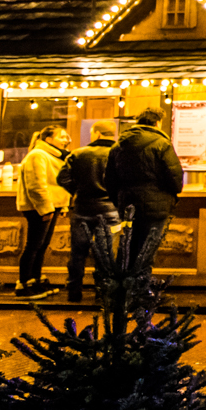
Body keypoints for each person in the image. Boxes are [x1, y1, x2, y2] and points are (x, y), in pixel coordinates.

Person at [106, 109, 185, 275]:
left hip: (127, 204)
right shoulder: (162, 143)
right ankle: (142, 289)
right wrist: (172, 195)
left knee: (127, 245)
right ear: (157, 123)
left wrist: (119, 200)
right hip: (156, 205)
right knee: (147, 247)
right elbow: (175, 175)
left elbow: (110, 180)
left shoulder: (118, 145)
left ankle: (123, 289)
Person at [62, 121, 118, 303]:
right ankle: (102, 293)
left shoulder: (78, 154)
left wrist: (77, 191)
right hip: (110, 210)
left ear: (97, 134)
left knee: (78, 252)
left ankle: (74, 292)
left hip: (82, 208)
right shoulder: (120, 155)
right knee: (105, 253)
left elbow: (62, 177)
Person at [15, 125, 73, 297]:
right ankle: (24, 283)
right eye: (62, 136)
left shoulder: (53, 156)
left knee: (42, 246)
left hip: (51, 206)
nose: (66, 140)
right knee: (33, 246)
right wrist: (45, 208)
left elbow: (56, 184)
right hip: (38, 208)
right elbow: (36, 185)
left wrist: (62, 205)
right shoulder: (37, 155)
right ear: (49, 139)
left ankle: (36, 279)